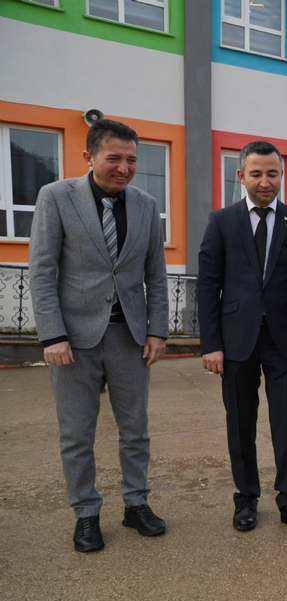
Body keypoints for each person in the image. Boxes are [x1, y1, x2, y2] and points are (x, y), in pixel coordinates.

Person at [29, 118, 169, 552]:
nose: (124, 168)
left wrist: (158, 331)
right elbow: (42, 270)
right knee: (77, 434)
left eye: (132, 159)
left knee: (136, 430)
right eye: (114, 158)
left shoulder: (146, 204)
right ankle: (86, 513)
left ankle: (135, 503)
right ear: (89, 156)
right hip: (74, 341)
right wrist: (52, 335)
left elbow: (156, 275)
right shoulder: (56, 197)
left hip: (130, 337)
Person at [197, 141, 287, 536]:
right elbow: (208, 286)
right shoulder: (222, 221)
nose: (265, 181)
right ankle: (246, 497)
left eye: (272, 173)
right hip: (235, 341)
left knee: (286, 420)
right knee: (240, 421)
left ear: (281, 175)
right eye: (256, 174)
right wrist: (211, 344)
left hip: (285, 340)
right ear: (241, 176)